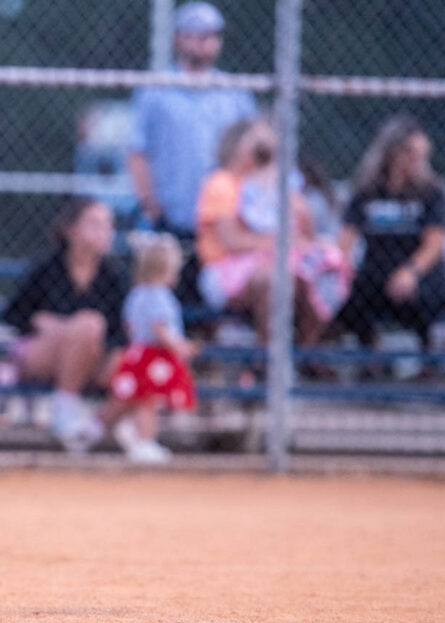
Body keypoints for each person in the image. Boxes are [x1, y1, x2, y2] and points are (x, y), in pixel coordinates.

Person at [2, 198, 131, 452]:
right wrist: (40, 322)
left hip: (93, 357)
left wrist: (72, 330)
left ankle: (90, 429)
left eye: (107, 225)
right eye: (94, 224)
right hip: (44, 353)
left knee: (99, 335)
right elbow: (13, 313)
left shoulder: (113, 276)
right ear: (70, 229)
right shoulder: (47, 267)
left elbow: (119, 330)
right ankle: (65, 411)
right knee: (89, 324)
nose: (104, 231)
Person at [127, 1, 256, 243]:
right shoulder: (155, 90)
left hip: (224, 222)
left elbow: (254, 155)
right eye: (195, 34)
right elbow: (137, 152)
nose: (204, 42)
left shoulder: (235, 93)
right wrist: (150, 205)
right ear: (177, 38)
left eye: (211, 35)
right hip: (170, 218)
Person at [195, 119, 329, 347]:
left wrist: (293, 199)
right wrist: (282, 242)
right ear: (237, 145)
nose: (264, 150)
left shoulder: (277, 183)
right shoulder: (222, 182)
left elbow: (306, 234)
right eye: (258, 144)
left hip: (280, 260)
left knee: (320, 272)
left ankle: (308, 351)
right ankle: (268, 357)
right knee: (273, 278)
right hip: (225, 270)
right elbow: (231, 241)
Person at [331, 114, 445, 352]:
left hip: (421, 272)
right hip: (375, 272)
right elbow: (346, 239)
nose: (416, 161)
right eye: (409, 153)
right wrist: (340, 269)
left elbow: (434, 244)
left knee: (421, 294)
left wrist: (411, 272)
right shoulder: (367, 191)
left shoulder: (431, 192)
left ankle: (427, 352)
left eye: (421, 154)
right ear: (391, 152)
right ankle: (371, 349)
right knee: (342, 295)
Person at [101, 233, 197, 463]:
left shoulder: (136, 293)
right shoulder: (160, 295)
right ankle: (144, 442)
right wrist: (180, 346)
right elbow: (159, 328)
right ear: (165, 270)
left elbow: (128, 324)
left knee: (132, 399)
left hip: (135, 352)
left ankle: (113, 430)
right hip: (153, 356)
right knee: (148, 401)